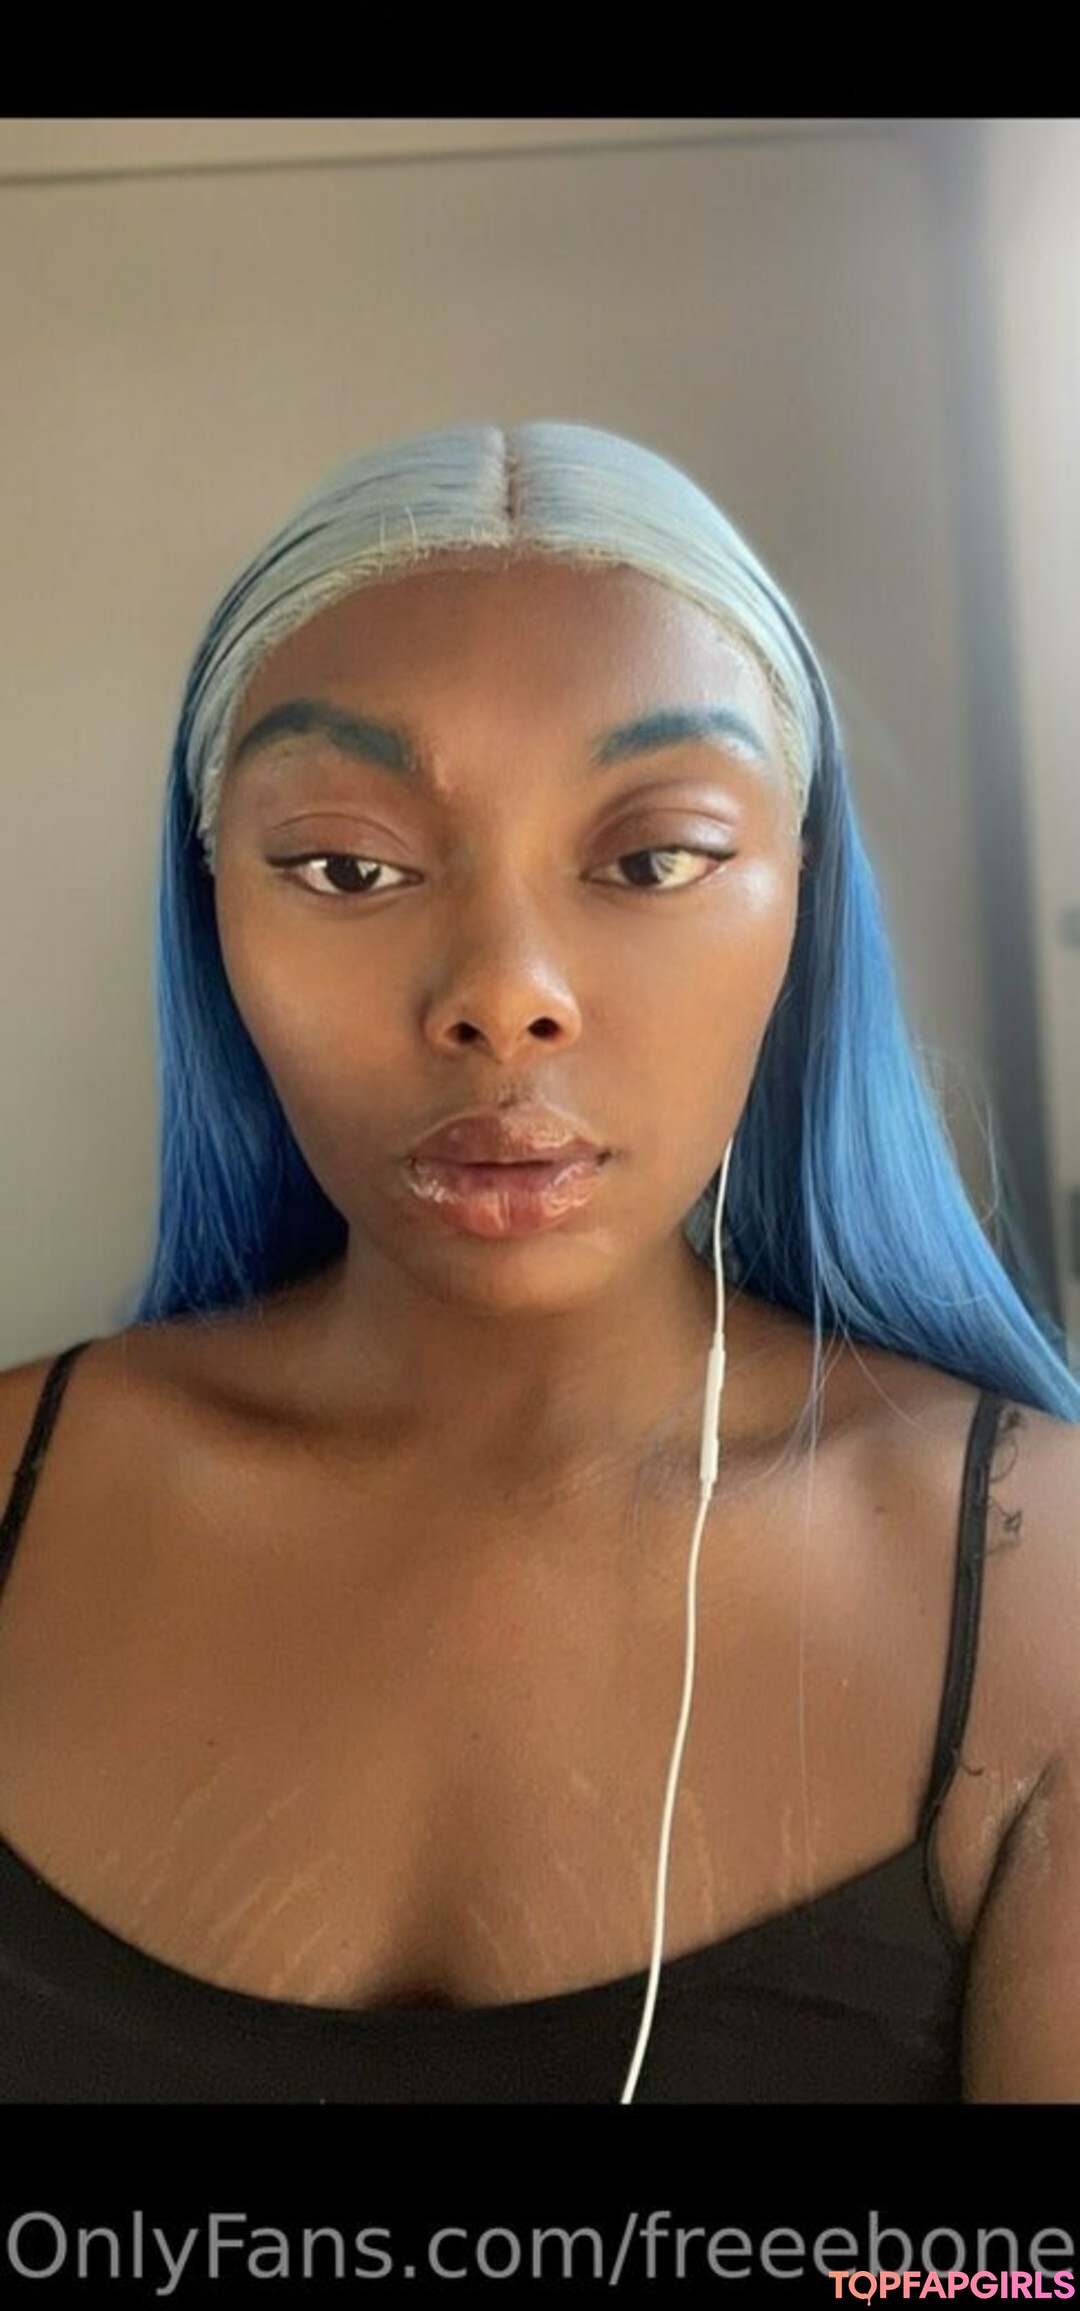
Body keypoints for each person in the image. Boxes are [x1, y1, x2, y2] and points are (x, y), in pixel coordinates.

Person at [0, 422, 1077, 2105]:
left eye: (654, 858)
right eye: (346, 865)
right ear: (211, 904)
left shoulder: (1042, 1596)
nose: (506, 996)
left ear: (802, 891)